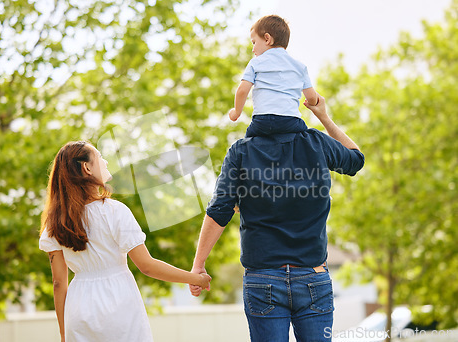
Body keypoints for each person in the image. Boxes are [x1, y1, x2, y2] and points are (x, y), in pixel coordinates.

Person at [190, 96, 365, 342]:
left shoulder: (241, 151)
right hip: (312, 277)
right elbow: (355, 160)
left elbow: (219, 209)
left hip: (263, 280)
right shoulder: (317, 143)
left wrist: (198, 264)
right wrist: (323, 117)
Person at [39, 141, 211, 342]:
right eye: (99, 156)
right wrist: (196, 279)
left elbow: (59, 283)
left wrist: (63, 334)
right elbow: (146, 266)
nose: (104, 161)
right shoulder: (114, 211)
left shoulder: (55, 223)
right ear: (86, 167)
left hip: (79, 309)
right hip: (118, 304)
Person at [228, 15, 319, 138]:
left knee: (248, 143)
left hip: (263, 120)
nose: (253, 49)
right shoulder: (300, 67)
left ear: (267, 39)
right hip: (290, 121)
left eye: (254, 42)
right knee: (304, 137)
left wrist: (236, 112)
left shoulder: (256, 63)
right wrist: (311, 102)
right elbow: (312, 97)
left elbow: (242, 90)